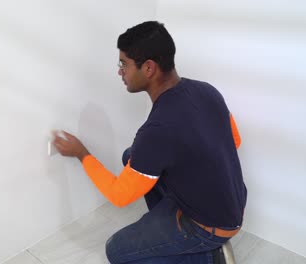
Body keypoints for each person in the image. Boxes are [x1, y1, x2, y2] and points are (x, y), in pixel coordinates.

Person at [52, 21, 247, 264]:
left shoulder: (158, 129)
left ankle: (208, 255)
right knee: (130, 156)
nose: (120, 71)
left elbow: (119, 195)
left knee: (117, 250)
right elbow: (234, 141)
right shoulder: (207, 91)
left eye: (124, 64)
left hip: (211, 225)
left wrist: (82, 154)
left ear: (149, 68)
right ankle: (172, 234)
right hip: (234, 204)